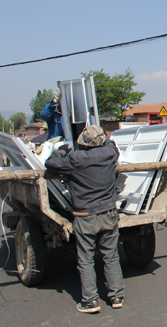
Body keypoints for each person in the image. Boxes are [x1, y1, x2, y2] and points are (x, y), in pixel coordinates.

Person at [45, 125, 125, 313]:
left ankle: (90, 301)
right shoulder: (109, 155)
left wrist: (60, 151)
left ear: (83, 143)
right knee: (111, 256)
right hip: (108, 213)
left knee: (86, 259)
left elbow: (51, 164)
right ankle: (116, 296)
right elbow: (113, 146)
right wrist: (105, 138)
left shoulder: (74, 159)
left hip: (85, 216)